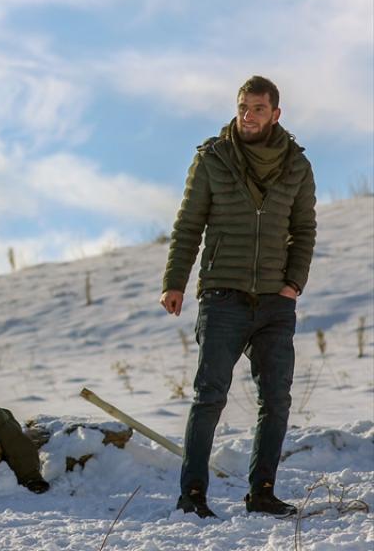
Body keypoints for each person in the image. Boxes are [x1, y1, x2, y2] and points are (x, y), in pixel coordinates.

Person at [159, 76, 316, 519]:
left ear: (276, 114)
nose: (248, 116)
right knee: (209, 395)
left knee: (277, 398)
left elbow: (304, 231)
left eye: (258, 109)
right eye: (243, 107)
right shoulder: (213, 159)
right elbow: (188, 225)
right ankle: (192, 496)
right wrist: (174, 282)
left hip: (274, 302)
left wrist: (293, 285)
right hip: (222, 297)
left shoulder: (297, 166)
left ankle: (262, 492)